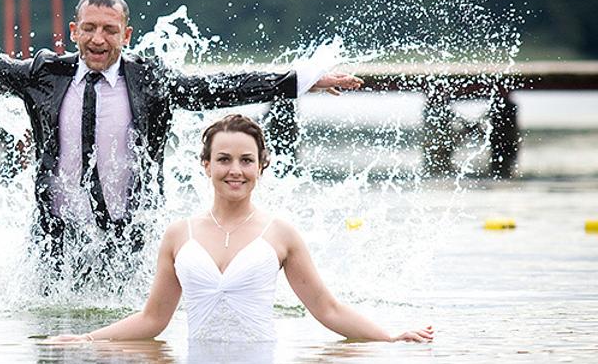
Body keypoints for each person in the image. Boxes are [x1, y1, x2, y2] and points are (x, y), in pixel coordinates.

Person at [0, 0, 362, 269]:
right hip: (56, 235)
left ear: (125, 35)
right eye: (89, 29)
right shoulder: (43, 76)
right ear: (73, 32)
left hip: (131, 232)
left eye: (109, 30)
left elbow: (221, 87)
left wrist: (300, 80)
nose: (98, 39)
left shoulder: (151, 81)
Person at [44, 114, 435, 344]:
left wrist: (390, 339)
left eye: (246, 160)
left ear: (261, 166)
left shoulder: (281, 234)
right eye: (224, 159)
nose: (235, 170)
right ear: (206, 164)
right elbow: (153, 320)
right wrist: (86, 340)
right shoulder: (179, 235)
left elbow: (327, 309)